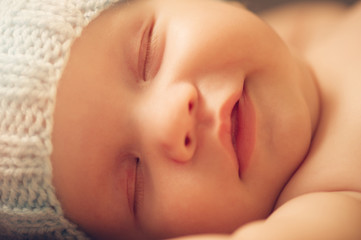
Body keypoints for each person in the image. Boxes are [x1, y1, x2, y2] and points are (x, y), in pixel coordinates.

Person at [1, 0, 360, 239]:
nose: (171, 121)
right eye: (135, 181)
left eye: (148, 54)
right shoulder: (328, 205)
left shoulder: (304, 28)